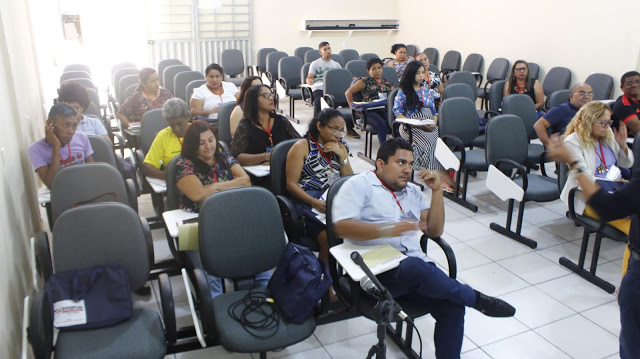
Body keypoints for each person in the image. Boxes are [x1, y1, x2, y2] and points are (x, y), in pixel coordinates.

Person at [332, 138, 515, 359]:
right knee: (415, 267)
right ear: (380, 164)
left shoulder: (412, 191)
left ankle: (465, 305)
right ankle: (476, 298)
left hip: (415, 273)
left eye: (410, 164)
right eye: (400, 163)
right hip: (375, 273)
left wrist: (437, 191)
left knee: (453, 308)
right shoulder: (358, 185)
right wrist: (388, 229)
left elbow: (435, 231)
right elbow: (341, 227)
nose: (407, 170)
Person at [547, 135, 639, 359]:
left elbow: (608, 204)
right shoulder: (576, 140)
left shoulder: (608, 141)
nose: (606, 126)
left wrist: (574, 164)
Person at [174, 119, 270, 298]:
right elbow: (198, 195)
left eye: (210, 140)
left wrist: (213, 188)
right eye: (201, 143)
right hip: (200, 226)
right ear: (192, 145)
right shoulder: (184, 164)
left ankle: (265, 298)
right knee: (210, 271)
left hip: (232, 218)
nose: (208, 146)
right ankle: (216, 312)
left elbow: (246, 181)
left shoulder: (224, 156)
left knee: (259, 256)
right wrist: (230, 185)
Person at [285, 109, 353, 263]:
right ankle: (324, 282)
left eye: (342, 130)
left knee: (355, 230)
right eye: (334, 129)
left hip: (333, 197)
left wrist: (342, 157)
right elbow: (291, 185)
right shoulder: (302, 146)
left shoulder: (341, 146)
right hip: (307, 200)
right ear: (320, 126)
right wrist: (314, 202)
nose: (338, 134)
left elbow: (349, 181)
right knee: (327, 238)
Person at [393, 60, 457, 192]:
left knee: (442, 145)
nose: (421, 75)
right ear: (410, 74)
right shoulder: (403, 92)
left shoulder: (426, 90)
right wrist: (416, 124)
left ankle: (441, 177)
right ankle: (448, 180)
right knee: (430, 145)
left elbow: (434, 112)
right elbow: (398, 113)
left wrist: (433, 122)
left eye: (423, 72)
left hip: (429, 124)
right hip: (410, 126)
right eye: (418, 73)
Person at [27, 103, 94, 188]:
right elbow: (51, 185)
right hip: (61, 196)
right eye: (66, 125)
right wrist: (56, 147)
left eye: (74, 126)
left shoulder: (81, 137)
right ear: (50, 124)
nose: (71, 131)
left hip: (85, 189)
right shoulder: (36, 149)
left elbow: (92, 172)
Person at [231, 84, 300, 166]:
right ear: (254, 101)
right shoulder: (245, 127)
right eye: (266, 96)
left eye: (271, 95)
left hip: (283, 167)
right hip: (258, 172)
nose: (271, 98)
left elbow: (300, 142)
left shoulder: (281, 120)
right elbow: (236, 157)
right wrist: (264, 156)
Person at [306, 41, 362, 139]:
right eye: (325, 49)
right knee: (318, 101)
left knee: (346, 101)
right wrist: (310, 80)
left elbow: (342, 77)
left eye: (329, 48)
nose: (328, 51)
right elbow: (309, 77)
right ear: (320, 52)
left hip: (333, 90)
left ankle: (349, 128)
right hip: (320, 89)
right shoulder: (315, 64)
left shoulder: (336, 64)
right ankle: (316, 127)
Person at [345, 57, 395, 145]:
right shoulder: (364, 81)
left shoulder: (387, 83)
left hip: (384, 109)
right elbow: (348, 93)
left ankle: (397, 146)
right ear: (369, 71)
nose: (377, 71)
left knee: (393, 121)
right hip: (368, 112)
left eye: (379, 68)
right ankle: (384, 149)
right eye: (374, 68)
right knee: (381, 123)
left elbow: (395, 95)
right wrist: (352, 107)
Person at [143, 98, 190, 180]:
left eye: (179, 124)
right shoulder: (163, 136)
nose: (176, 129)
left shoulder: (200, 131)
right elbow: (147, 167)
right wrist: (168, 176)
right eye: (172, 125)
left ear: (188, 116)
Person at [612, 71, 640, 137]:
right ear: (622, 88)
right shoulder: (622, 105)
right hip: (631, 142)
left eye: (638, 81)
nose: (634, 85)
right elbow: (638, 128)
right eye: (629, 83)